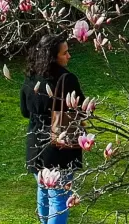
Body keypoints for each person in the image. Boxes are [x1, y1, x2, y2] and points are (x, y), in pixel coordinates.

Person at [20, 33, 85, 224]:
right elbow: (81, 109)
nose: (69, 56)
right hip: (58, 144)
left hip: (35, 144)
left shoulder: (31, 78)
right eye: (65, 53)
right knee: (58, 196)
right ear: (53, 56)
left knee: (43, 189)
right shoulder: (67, 80)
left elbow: (25, 111)